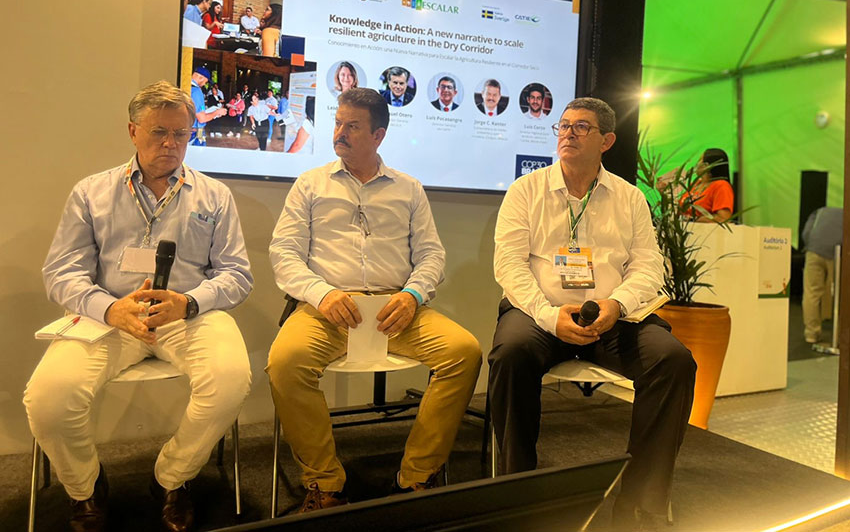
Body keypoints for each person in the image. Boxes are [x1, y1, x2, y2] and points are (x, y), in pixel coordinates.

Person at [23, 80, 253, 532]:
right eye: (158, 132)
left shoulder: (214, 196)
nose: (170, 143)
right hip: (110, 317)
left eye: (181, 134)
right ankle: (86, 488)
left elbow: (236, 274)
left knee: (230, 380)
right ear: (133, 131)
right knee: (48, 399)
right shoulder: (91, 192)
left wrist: (189, 302)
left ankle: (171, 479)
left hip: (186, 316)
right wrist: (111, 309)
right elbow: (62, 273)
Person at [268, 87, 481, 513]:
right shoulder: (310, 184)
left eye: (352, 126)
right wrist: (322, 294)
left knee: (464, 352)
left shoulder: (408, 188)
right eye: (338, 122)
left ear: (378, 135)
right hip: (327, 308)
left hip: (395, 308)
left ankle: (416, 476)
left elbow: (431, 255)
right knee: (285, 363)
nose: (340, 132)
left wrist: (413, 295)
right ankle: (325, 483)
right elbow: (284, 253)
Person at [488, 97, 696, 530]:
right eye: (563, 126)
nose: (568, 133)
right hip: (540, 314)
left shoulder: (630, 198)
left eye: (581, 127)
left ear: (607, 141)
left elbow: (648, 266)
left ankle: (639, 503)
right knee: (510, 355)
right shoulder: (525, 190)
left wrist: (615, 305)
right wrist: (549, 316)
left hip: (612, 316)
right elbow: (508, 265)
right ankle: (515, 495)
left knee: (674, 361)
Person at [801, 206, 843, 343]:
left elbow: (806, 232)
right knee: (839, 294)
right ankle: (839, 333)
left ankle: (811, 333)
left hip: (813, 251)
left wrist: (812, 245)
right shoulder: (846, 214)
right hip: (836, 254)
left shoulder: (820, 211)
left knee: (811, 293)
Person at [680, 148, 734, 223]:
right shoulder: (696, 183)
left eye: (699, 160)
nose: (697, 163)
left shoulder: (721, 186)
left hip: (703, 229)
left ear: (706, 165)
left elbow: (723, 218)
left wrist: (695, 220)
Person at [188, 68, 225, 147]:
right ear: (201, 77)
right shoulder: (196, 91)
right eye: (205, 82)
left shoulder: (185, 87)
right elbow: (202, 119)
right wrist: (217, 112)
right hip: (195, 132)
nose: (205, 84)